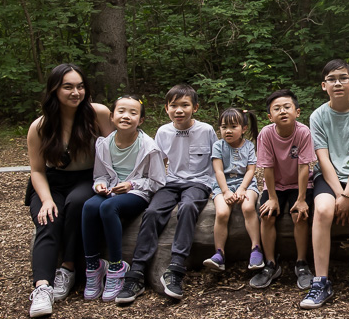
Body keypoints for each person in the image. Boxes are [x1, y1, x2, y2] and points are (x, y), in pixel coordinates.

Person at [116, 84, 217, 304]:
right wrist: (148, 185)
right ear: (166, 109)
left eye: (185, 105)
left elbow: (215, 161)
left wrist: (217, 188)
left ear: (195, 107)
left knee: (188, 207)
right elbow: (159, 163)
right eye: (174, 106)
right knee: (152, 212)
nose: (179, 110)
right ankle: (137, 272)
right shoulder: (163, 132)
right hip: (170, 182)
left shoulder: (206, 130)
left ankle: (176, 268)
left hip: (198, 182)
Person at [25, 64, 113, 318]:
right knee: (49, 219)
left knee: (77, 204)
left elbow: (117, 149)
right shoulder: (39, 127)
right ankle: (42, 288)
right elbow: (38, 171)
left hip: (88, 178)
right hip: (50, 182)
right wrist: (46, 200)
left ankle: (68, 268)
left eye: (80, 86)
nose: (76, 92)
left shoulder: (98, 114)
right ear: (54, 89)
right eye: (68, 87)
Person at [300, 60, 349, 309]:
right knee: (322, 210)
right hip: (329, 177)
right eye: (332, 79)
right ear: (324, 86)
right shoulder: (318, 116)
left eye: (343, 78)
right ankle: (320, 281)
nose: (338, 83)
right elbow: (322, 158)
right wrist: (339, 193)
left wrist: (347, 196)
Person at [81, 95, 166, 302]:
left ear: (141, 120)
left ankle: (117, 267)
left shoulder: (148, 146)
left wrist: (132, 185)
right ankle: (93, 266)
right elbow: (100, 174)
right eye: (121, 111)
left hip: (137, 194)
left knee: (109, 208)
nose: (126, 116)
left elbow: (158, 181)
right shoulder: (104, 144)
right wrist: (99, 184)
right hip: (111, 190)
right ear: (111, 117)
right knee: (90, 207)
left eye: (133, 113)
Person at [251, 90, 316, 290]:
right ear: (270, 116)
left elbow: (304, 166)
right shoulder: (266, 134)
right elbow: (267, 168)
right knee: (267, 215)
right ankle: (270, 264)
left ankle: (302, 263)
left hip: (299, 184)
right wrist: (271, 197)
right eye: (277, 109)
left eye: (287, 107)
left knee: (300, 215)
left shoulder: (303, 132)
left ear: (297, 111)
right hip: (275, 185)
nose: (283, 111)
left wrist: (303, 198)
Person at [203, 108, 262, 279]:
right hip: (223, 185)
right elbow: (219, 171)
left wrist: (242, 189)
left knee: (249, 207)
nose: (227, 131)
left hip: (246, 183)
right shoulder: (218, 146)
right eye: (223, 127)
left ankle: (256, 249)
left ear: (243, 128)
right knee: (222, 212)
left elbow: (251, 170)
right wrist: (226, 191)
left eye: (233, 126)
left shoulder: (249, 146)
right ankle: (219, 254)